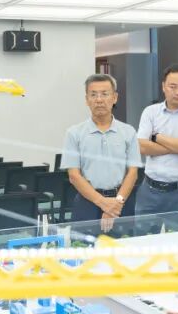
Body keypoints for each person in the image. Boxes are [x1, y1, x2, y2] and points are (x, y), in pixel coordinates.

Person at [60, 74, 140, 233]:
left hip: (121, 202)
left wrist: (116, 204)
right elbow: (74, 176)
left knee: (124, 247)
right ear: (86, 99)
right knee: (84, 248)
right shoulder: (74, 133)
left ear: (115, 97)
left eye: (104, 94)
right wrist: (103, 203)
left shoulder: (128, 132)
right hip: (87, 203)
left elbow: (133, 173)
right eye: (93, 94)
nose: (99, 100)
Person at [135, 65, 178, 217]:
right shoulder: (150, 112)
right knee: (144, 232)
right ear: (163, 86)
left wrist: (156, 137)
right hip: (150, 190)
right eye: (172, 87)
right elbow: (141, 147)